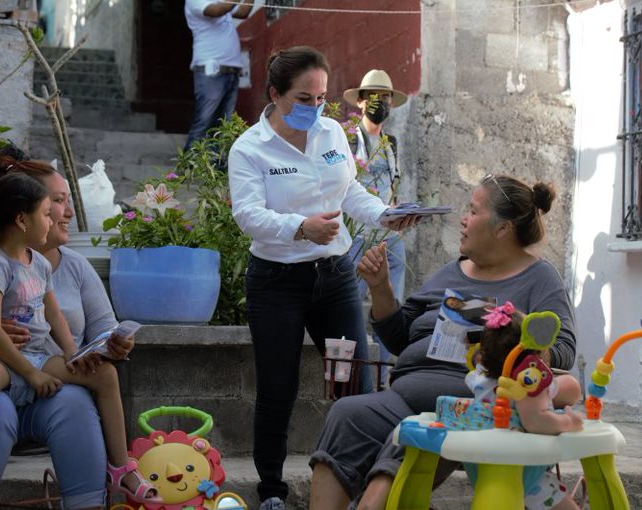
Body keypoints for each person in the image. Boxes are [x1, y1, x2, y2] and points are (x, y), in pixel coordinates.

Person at [309, 174, 578, 510]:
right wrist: (381, 289)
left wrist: (505, 327)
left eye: (473, 210)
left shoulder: (539, 279)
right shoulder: (451, 272)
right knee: (347, 413)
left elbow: (564, 351)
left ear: (502, 229)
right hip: (404, 394)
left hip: (474, 404)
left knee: (416, 430)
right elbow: (399, 336)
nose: (464, 219)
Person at [227, 46, 419, 510]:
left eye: (321, 98)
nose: (315, 108)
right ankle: (272, 490)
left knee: (354, 383)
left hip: (333, 278)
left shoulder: (333, 131)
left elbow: (349, 188)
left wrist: (384, 215)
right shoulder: (249, 148)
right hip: (276, 282)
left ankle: (366, 487)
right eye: (304, 98)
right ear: (275, 94)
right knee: (278, 387)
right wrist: (300, 226)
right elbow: (248, 215)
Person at [0, 172, 161, 507]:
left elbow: (85, 323)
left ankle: (109, 480)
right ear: (22, 216)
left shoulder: (60, 265)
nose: (67, 212)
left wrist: (103, 347)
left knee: (80, 399)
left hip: (39, 367)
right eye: (55, 203)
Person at [464, 302, 583, 509]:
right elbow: (537, 421)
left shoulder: (479, 379)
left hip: (483, 466)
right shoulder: (525, 387)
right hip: (523, 469)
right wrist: (568, 422)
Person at [343, 69, 409, 387]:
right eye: (373, 96)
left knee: (391, 304)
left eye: (384, 97)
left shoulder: (391, 142)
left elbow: (392, 187)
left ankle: (384, 375)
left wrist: (399, 216)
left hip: (388, 230)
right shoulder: (347, 139)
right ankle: (352, 372)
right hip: (357, 229)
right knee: (351, 302)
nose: (379, 102)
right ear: (359, 101)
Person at [183, 0, 253, 151]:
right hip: (211, 70)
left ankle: (216, 171)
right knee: (204, 122)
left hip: (231, 70)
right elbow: (217, 10)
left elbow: (243, 12)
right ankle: (187, 171)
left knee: (223, 128)